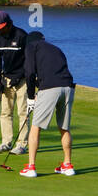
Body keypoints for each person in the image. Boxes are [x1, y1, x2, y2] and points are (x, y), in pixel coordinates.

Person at [19, 30, 75, 178]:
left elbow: (29, 73)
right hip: (68, 86)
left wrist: (30, 97)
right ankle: (67, 165)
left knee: (36, 127)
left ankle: (31, 167)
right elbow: (51, 73)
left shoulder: (31, 47)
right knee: (64, 127)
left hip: (51, 88)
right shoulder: (56, 49)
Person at [0, 10, 29, 155]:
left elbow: (29, 61)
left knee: (23, 112)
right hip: (6, 78)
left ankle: (21, 145)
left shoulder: (21, 35)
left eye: (1, 27)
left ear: (8, 24)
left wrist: (18, 77)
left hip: (22, 79)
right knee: (5, 112)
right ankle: (6, 142)